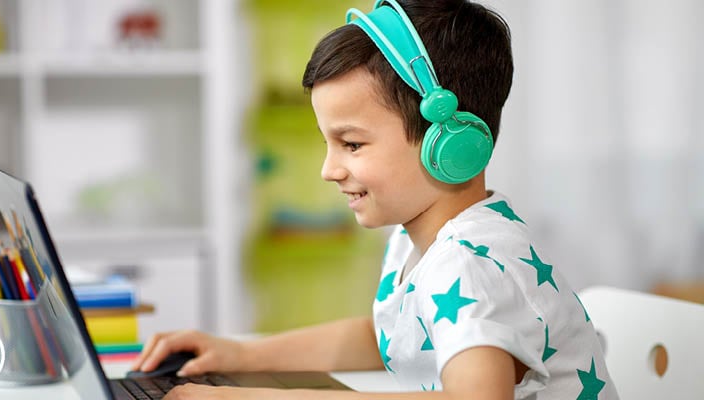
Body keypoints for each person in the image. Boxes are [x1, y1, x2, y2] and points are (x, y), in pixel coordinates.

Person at [133, 0, 618, 398]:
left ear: (451, 146)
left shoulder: (473, 264)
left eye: (352, 144)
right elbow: (386, 338)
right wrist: (239, 354)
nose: (329, 169)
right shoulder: (417, 241)